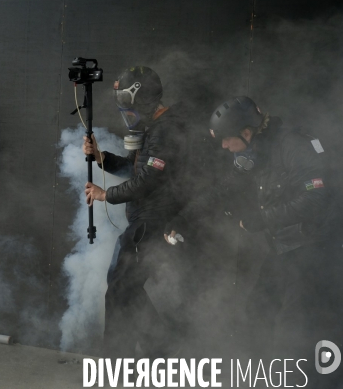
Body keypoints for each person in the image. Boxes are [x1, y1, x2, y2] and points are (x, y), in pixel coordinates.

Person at [164, 96, 342, 371]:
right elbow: (225, 188)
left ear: (246, 132)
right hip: (284, 247)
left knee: (297, 327)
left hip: (313, 249)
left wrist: (262, 219)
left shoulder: (294, 145)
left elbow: (314, 200)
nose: (223, 146)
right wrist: (182, 219)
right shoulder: (252, 151)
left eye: (226, 139)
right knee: (257, 311)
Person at [83, 66, 211, 358]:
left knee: (120, 288)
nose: (126, 115)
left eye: (128, 107)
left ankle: (122, 361)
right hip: (146, 220)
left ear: (142, 100)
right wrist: (102, 158)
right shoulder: (153, 128)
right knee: (123, 287)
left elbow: (149, 180)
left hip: (153, 222)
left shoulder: (167, 130)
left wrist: (106, 195)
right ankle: (161, 348)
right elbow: (135, 168)